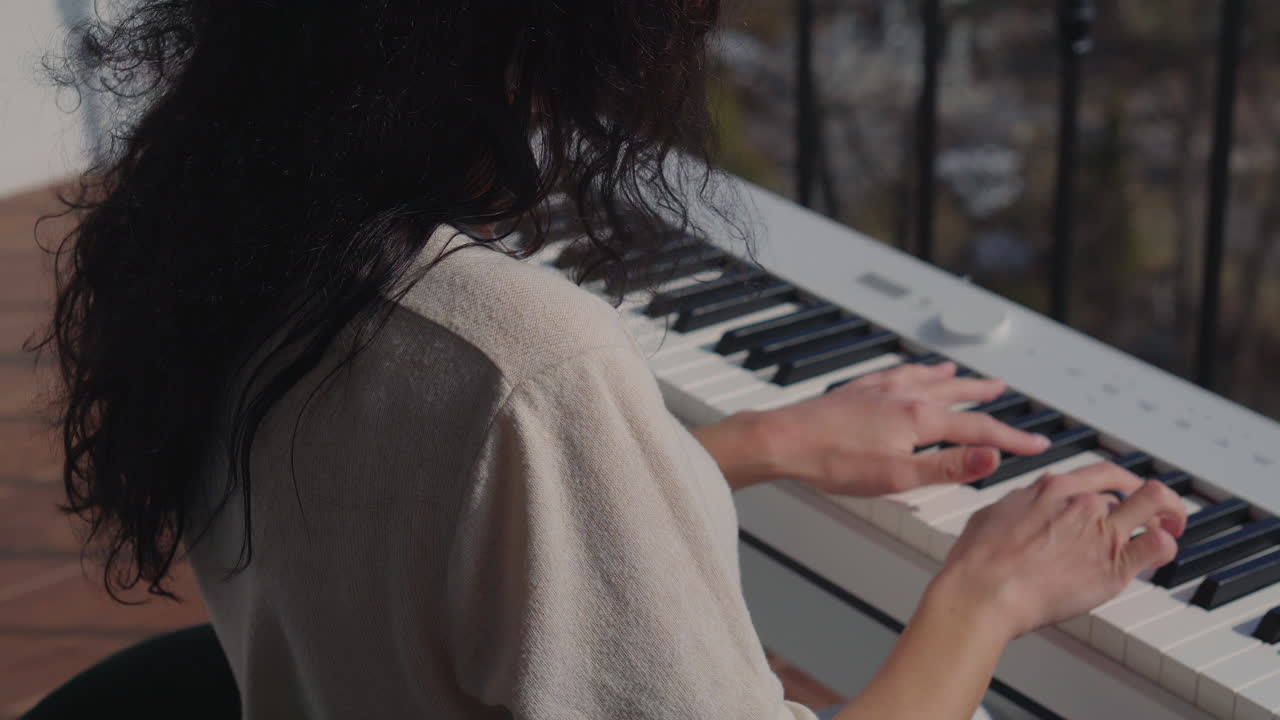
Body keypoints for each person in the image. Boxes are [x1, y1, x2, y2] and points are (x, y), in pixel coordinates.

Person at [36, 2, 1187, 718]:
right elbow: (496, 426)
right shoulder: (521, 359)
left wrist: (750, 447)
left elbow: (421, 521)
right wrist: (983, 597)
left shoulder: (226, 225)